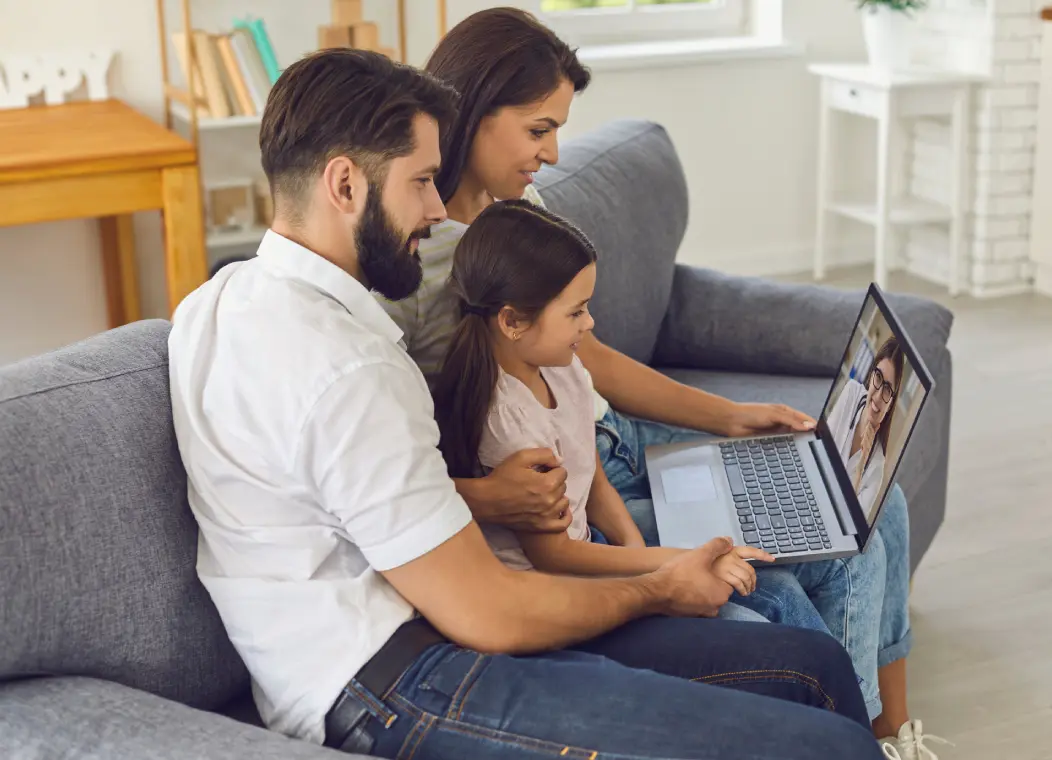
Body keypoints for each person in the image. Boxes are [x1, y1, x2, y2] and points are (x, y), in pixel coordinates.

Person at [167, 48, 884, 760]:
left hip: (427, 631)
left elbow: (343, 493)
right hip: (392, 682)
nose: (435, 207)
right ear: (346, 184)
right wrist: (659, 587)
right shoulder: (345, 369)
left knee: (810, 670)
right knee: (822, 745)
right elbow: (491, 611)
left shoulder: (218, 303)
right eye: (420, 181)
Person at [378, 8, 945, 759]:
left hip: (605, 439)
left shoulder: (517, 208)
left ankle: (888, 735)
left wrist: (730, 417)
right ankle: (846, 735)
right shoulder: (415, 260)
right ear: (476, 112)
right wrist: (488, 497)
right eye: (538, 129)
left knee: (867, 499)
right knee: (786, 571)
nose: (550, 153)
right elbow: (400, 437)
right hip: (562, 474)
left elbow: (591, 359)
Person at [431, 198, 770, 623]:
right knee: (755, 616)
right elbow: (554, 556)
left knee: (771, 575)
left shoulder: (565, 368)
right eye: (576, 311)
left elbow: (594, 481)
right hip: (561, 590)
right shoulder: (507, 422)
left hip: (591, 550)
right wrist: (670, 567)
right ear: (512, 321)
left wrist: (639, 552)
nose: (589, 323)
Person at [827, 338, 904, 520]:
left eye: (887, 389)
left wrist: (861, 468)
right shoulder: (851, 394)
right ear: (871, 376)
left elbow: (852, 525)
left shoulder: (877, 465)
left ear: (891, 401)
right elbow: (820, 451)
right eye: (878, 378)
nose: (878, 396)